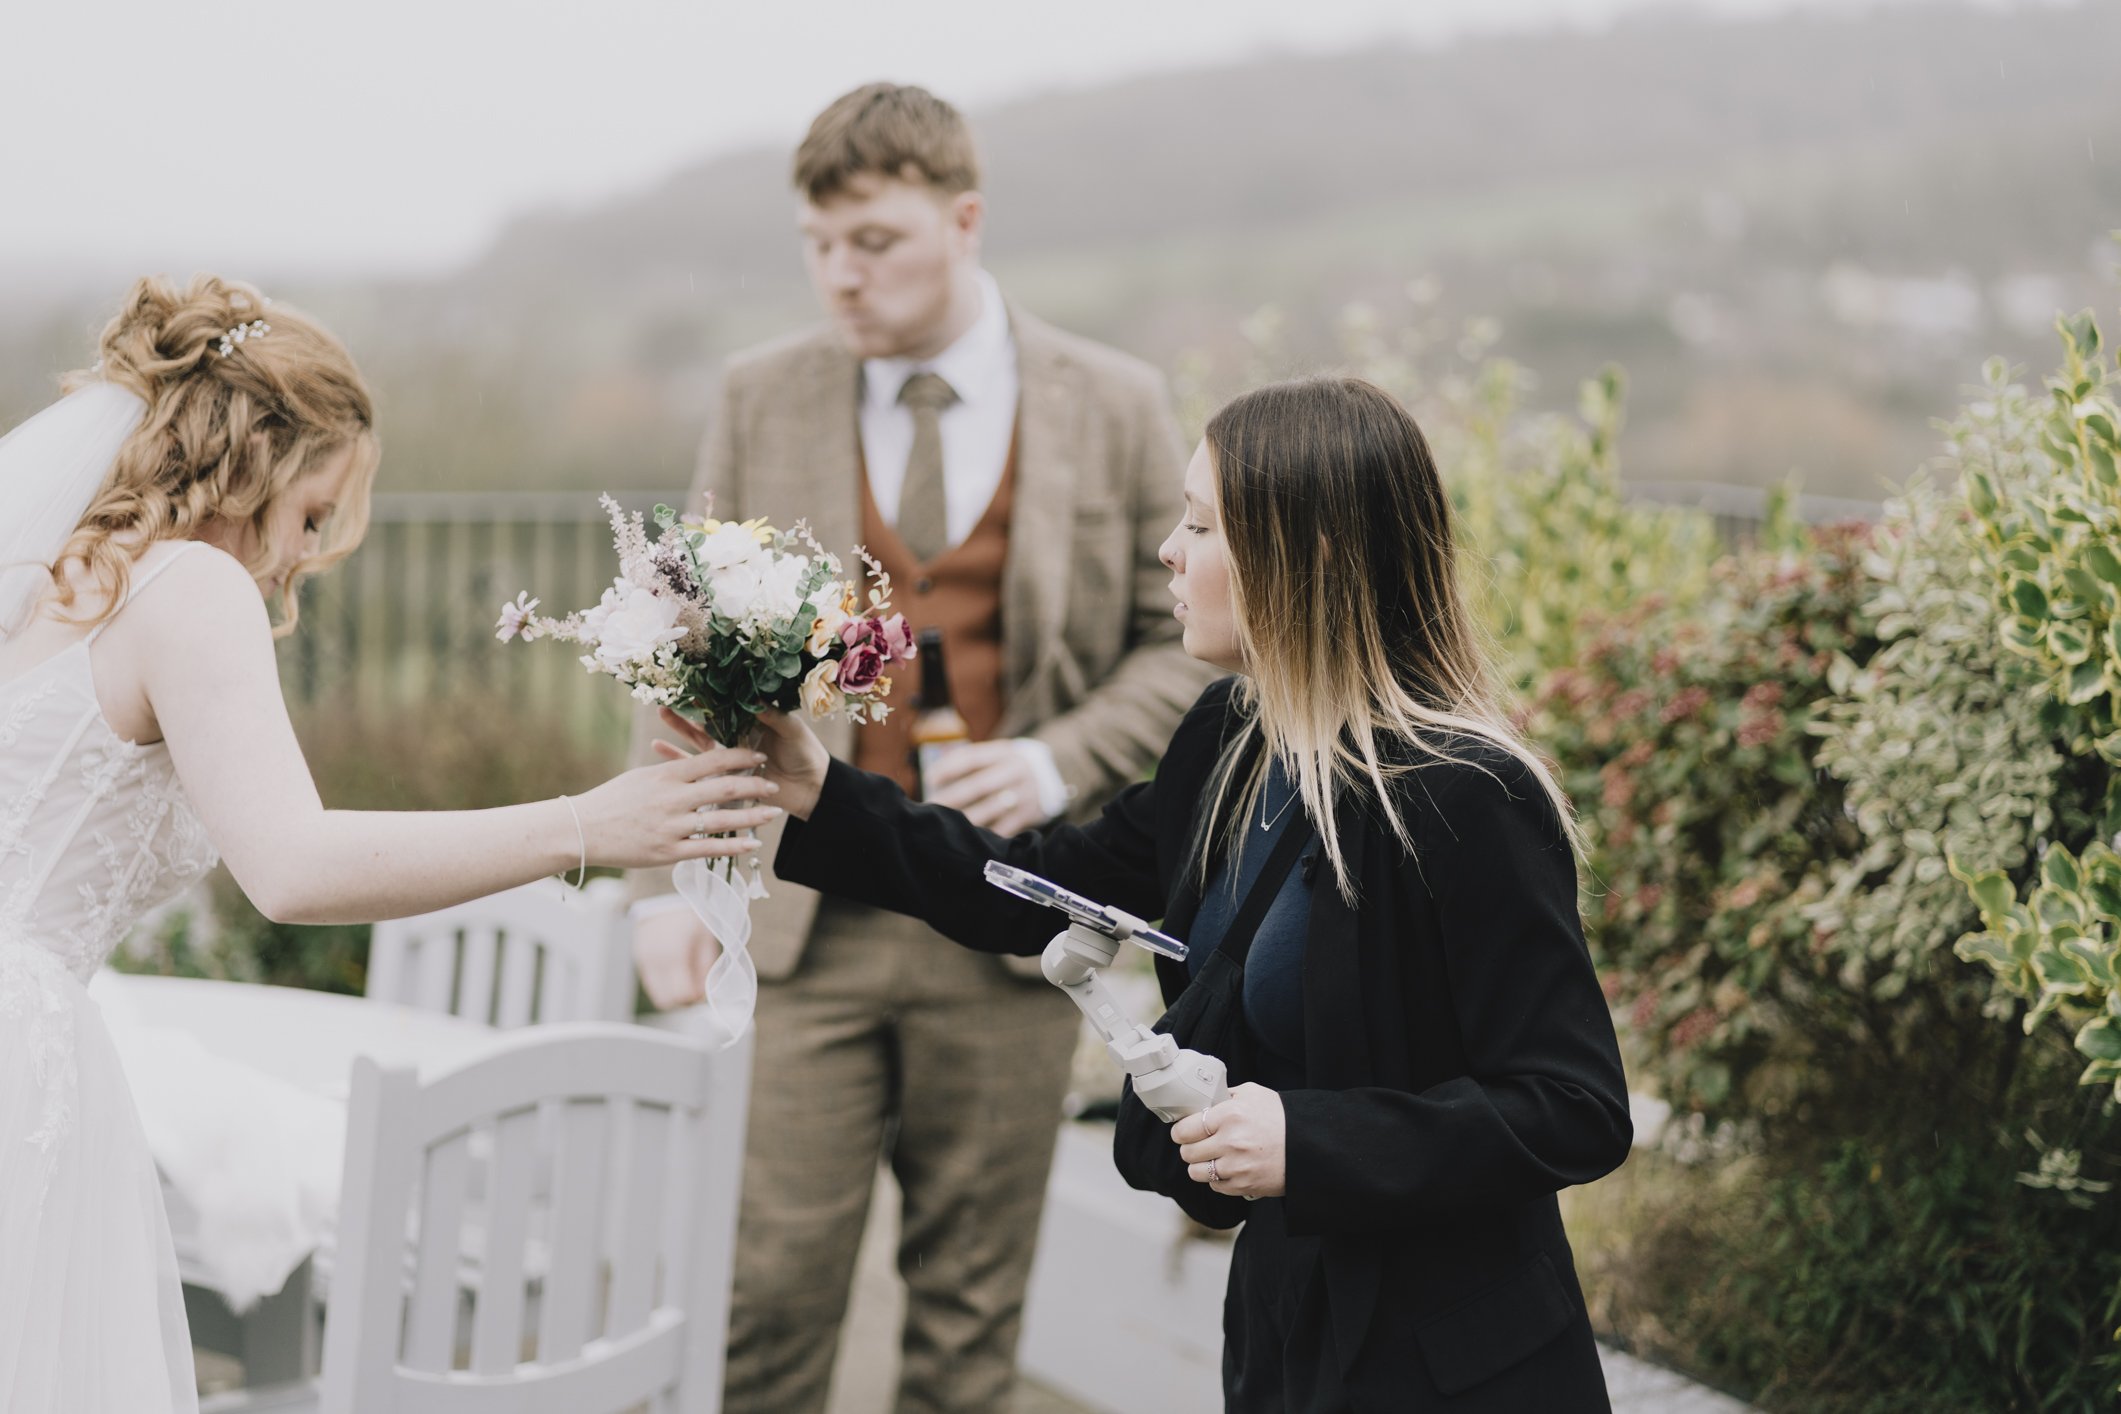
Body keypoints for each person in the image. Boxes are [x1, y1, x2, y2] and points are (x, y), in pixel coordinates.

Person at [658, 376, 1636, 1412]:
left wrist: (1311, 1142)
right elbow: (1035, 888)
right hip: (1285, 1341)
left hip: (1454, 1372)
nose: (1169, 550)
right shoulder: (1228, 740)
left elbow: (1575, 1106)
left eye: (1200, 525)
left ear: (1301, 559)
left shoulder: (1467, 795)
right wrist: (822, 793)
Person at [0, 274, 778, 1414]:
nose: (301, 557)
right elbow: (295, 866)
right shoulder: (190, 585)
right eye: (312, 514)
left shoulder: (55, 576)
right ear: (254, 460)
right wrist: (586, 825)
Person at [625, 83, 1215, 1412]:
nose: (841, 275)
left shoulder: (1114, 401)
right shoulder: (759, 391)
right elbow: (681, 645)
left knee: (966, 1316)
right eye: (818, 245)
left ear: (964, 219)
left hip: (1010, 914)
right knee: (763, 1300)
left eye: (875, 242)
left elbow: (1180, 637)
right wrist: (660, 884)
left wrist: (1062, 759)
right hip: (800, 920)